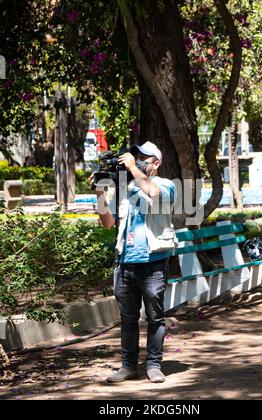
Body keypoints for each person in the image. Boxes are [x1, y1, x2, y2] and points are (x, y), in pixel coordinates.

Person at [90, 141, 176, 383]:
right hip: (125, 263)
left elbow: (154, 194)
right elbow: (107, 223)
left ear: (156, 163)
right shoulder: (125, 189)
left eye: (142, 159)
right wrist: (99, 192)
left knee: (154, 317)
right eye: (135, 157)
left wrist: (133, 168)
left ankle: (153, 365)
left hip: (153, 263)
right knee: (128, 318)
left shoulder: (166, 185)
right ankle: (128, 366)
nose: (136, 161)